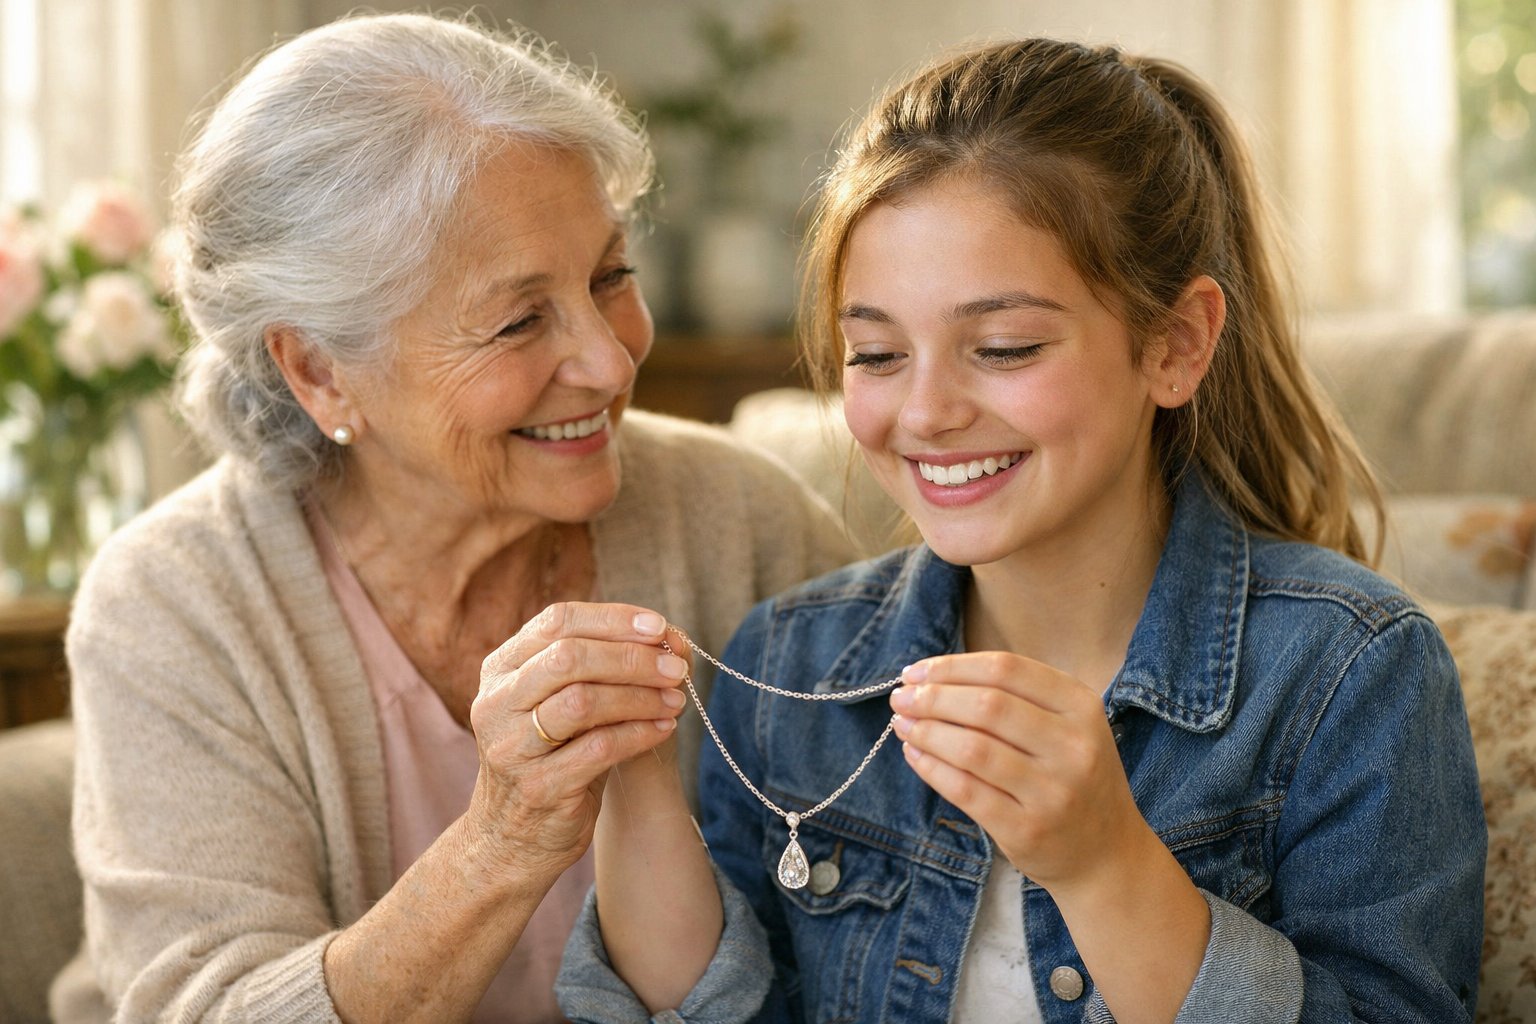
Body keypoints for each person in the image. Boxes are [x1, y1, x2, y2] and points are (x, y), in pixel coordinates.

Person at [556, 37, 1487, 1023]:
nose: (925, 410)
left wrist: (1104, 863)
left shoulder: (1352, 671)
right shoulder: (794, 660)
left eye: (1002, 347)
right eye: (875, 352)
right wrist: (631, 779)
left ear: (1174, 346)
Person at [50, 12, 852, 1024]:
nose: (611, 363)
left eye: (611, 277)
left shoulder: (741, 518)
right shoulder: (175, 604)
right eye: (519, 320)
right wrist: (504, 838)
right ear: (319, 369)